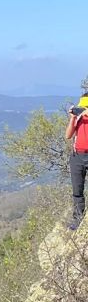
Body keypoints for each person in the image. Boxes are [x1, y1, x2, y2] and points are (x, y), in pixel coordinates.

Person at [65, 78, 88, 230]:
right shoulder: (79, 118)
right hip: (77, 156)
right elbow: (68, 135)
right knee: (77, 190)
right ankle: (78, 219)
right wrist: (73, 118)